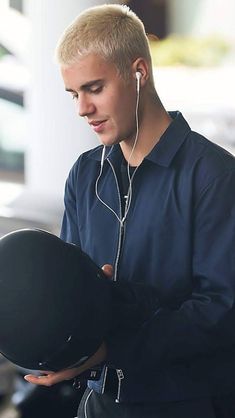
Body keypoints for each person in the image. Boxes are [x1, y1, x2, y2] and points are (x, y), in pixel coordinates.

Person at [24, 4, 235, 418]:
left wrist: (110, 349)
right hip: (100, 405)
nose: (81, 108)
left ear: (139, 72)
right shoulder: (85, 175)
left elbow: (221, 310)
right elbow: (72, 295)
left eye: (94, 88)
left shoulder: (214, 175)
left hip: (189, 406)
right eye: (74, 94)